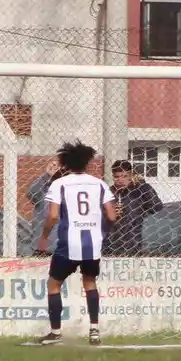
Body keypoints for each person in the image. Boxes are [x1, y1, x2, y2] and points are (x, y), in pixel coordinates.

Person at [35, 140, 119, 346]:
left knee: (54, 284)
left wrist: (44, 236)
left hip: (68, 243)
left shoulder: (59, 184)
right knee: (90, 283)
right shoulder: (99, 184)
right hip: (93, 244)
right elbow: (112, 215)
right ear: (87, 163)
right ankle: (94, 330)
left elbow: (53, 215)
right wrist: (101, 231)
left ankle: (55, 333)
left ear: (65, 163)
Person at [106, 159, 163, 256]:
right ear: (113, 177)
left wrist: (143, 185)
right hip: (112, 243)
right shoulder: (109, 192)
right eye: (117, 177)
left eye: (124, 176)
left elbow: (156, 206)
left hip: (134, 242)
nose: (120, 180)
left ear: (131, 175)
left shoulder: (139, 190)